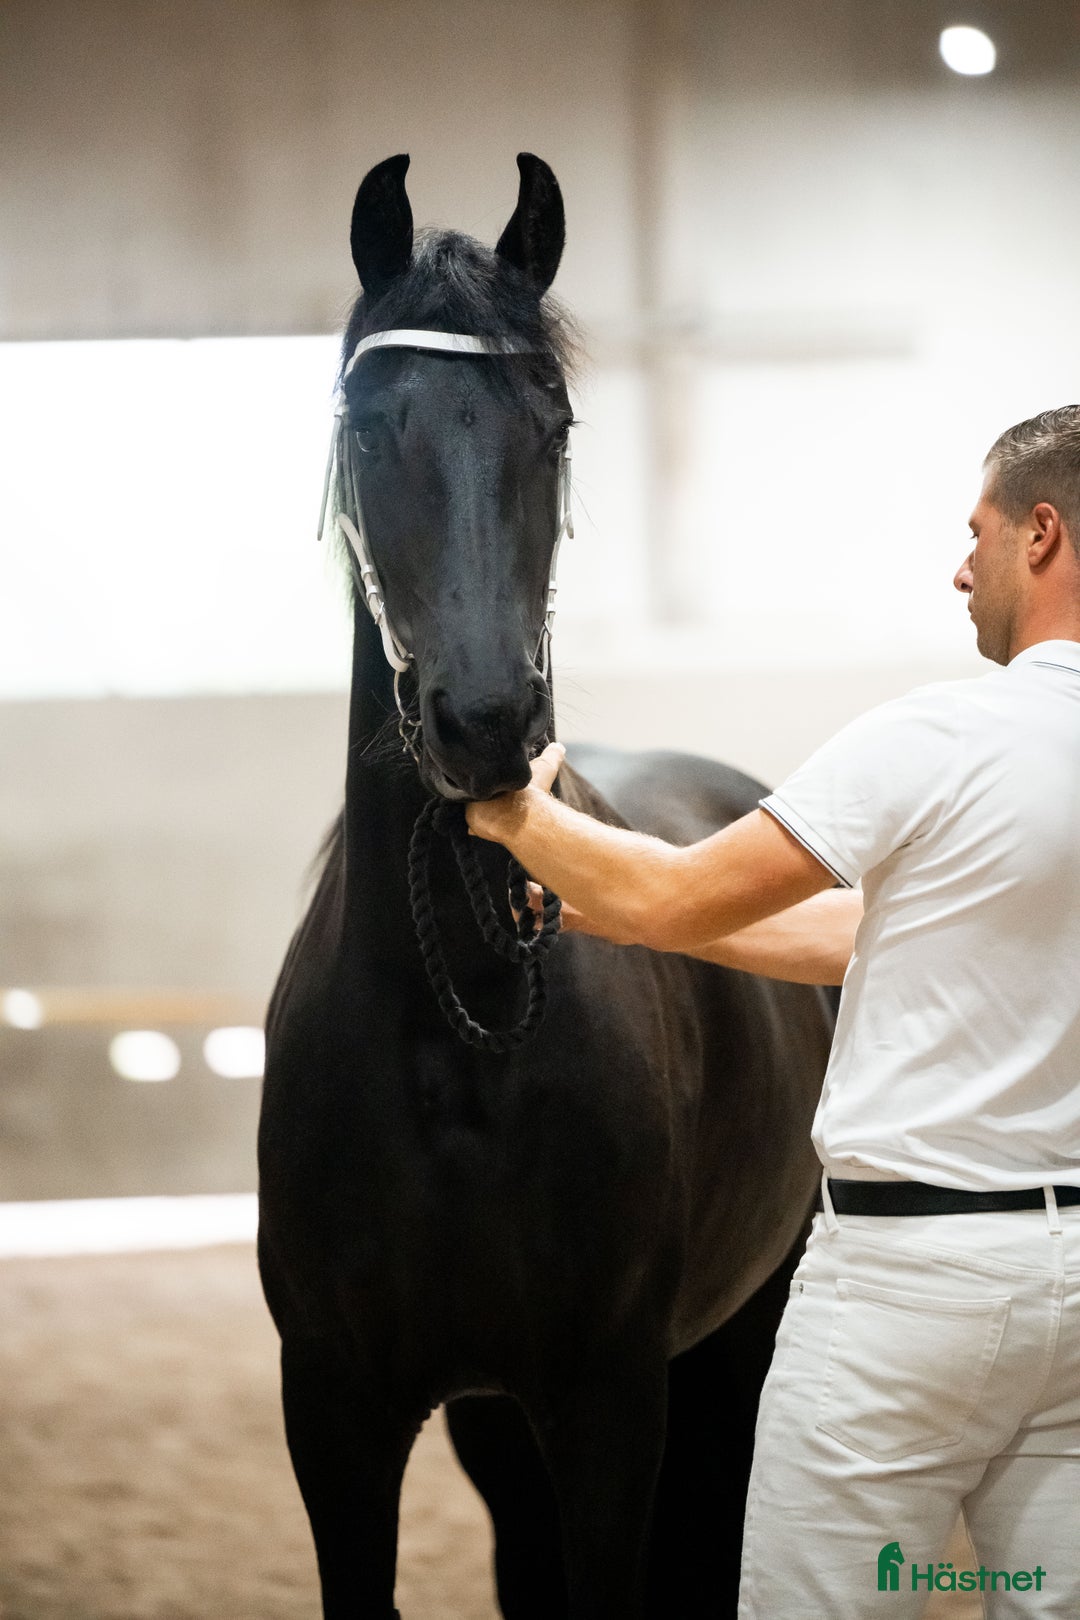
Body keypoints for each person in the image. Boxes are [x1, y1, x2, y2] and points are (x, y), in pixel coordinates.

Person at [467, 405, 1080, 1618]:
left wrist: (516, 810)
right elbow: (865, 938)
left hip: (914, 1294)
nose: (963, 568)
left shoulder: (941, 735)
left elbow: (677, 886)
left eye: (980, 534)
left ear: (1043, 534)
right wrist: (609, 921)